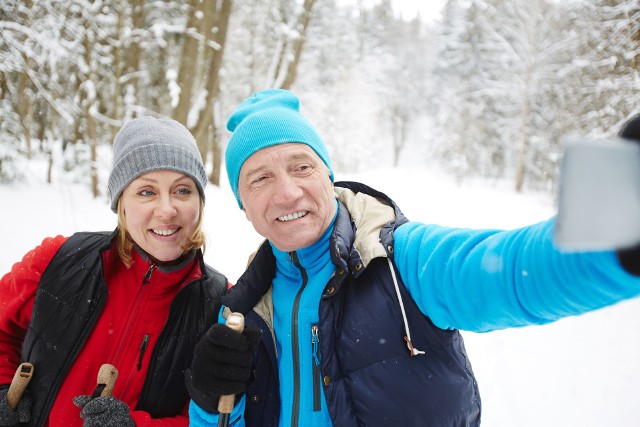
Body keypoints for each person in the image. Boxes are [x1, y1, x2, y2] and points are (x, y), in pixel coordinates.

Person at [184, 89, 640, 427]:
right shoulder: (240, 311)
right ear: (243, 205)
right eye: (259, 178)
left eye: (302, 166)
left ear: (329, 175)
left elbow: (512, 273)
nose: (287, 192)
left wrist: (615, 237)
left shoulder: (402, 260)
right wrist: (207, 401)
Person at [0, 116, 229, 426]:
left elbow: (217, 416)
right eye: (146, 192)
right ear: (121, 201)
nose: (166, 209)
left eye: (182, 191)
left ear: (200, 202)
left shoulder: (221, 304)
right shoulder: (59, 260)